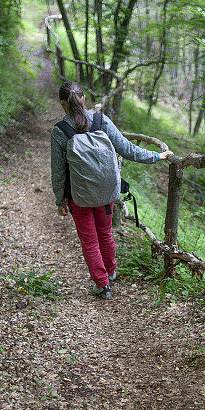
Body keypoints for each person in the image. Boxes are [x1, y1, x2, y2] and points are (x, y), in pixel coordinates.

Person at [50, 80, 170, 299]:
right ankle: (111, 271)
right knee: (105, 233)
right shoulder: (100, 120)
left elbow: (58, 172)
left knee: (89, 240)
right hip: (107, 193)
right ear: (83, 99)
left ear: (61, 103)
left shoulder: (60, 132)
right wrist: (157, 156)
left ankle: (102, 284)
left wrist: (60, 200)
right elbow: (127, 149)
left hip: (79, 196)